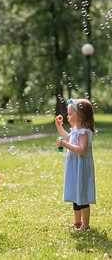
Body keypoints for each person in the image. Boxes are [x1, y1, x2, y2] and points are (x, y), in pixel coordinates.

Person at [55, 98, 96, 231]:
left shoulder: (83, 132)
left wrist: (65, 145)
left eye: (70, 114)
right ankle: (77, 222)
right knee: (75, 193)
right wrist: (59, 127)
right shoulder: (75, 131)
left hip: (81, 168)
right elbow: (67, 138)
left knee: (82, 194)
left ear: (80, 116)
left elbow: (81, 149)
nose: (68, 116)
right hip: (74, 167)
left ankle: (85, 225)